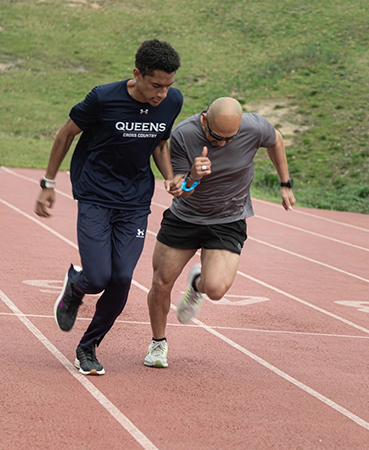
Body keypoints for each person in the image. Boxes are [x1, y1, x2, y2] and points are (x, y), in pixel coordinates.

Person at [34, 39, 183, 375]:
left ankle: (87, 347)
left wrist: (169, 177)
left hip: (134, 200)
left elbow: (160, 143)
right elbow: (65, 135)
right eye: (156, 85)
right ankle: (76, 285)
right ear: (137, 74)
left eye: (168, 85)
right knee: (99, 276)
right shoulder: (103, 97)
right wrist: (49, 184)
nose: (162, 93)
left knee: (123, 278)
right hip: (95, 193)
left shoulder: (172, 100)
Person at [143, 97, 296, 368]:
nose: (222, 144)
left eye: (230, 138)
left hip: (228, 219)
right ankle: (158, 343)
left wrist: (285, 183)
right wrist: (192, 178)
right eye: (216, 137)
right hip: (186, 216)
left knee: (215, 289)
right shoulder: (183, 135)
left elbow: (277, 140)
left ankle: (196, 285)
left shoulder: (255, 126)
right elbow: (178, 190)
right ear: (204, 120)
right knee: (160, 283)